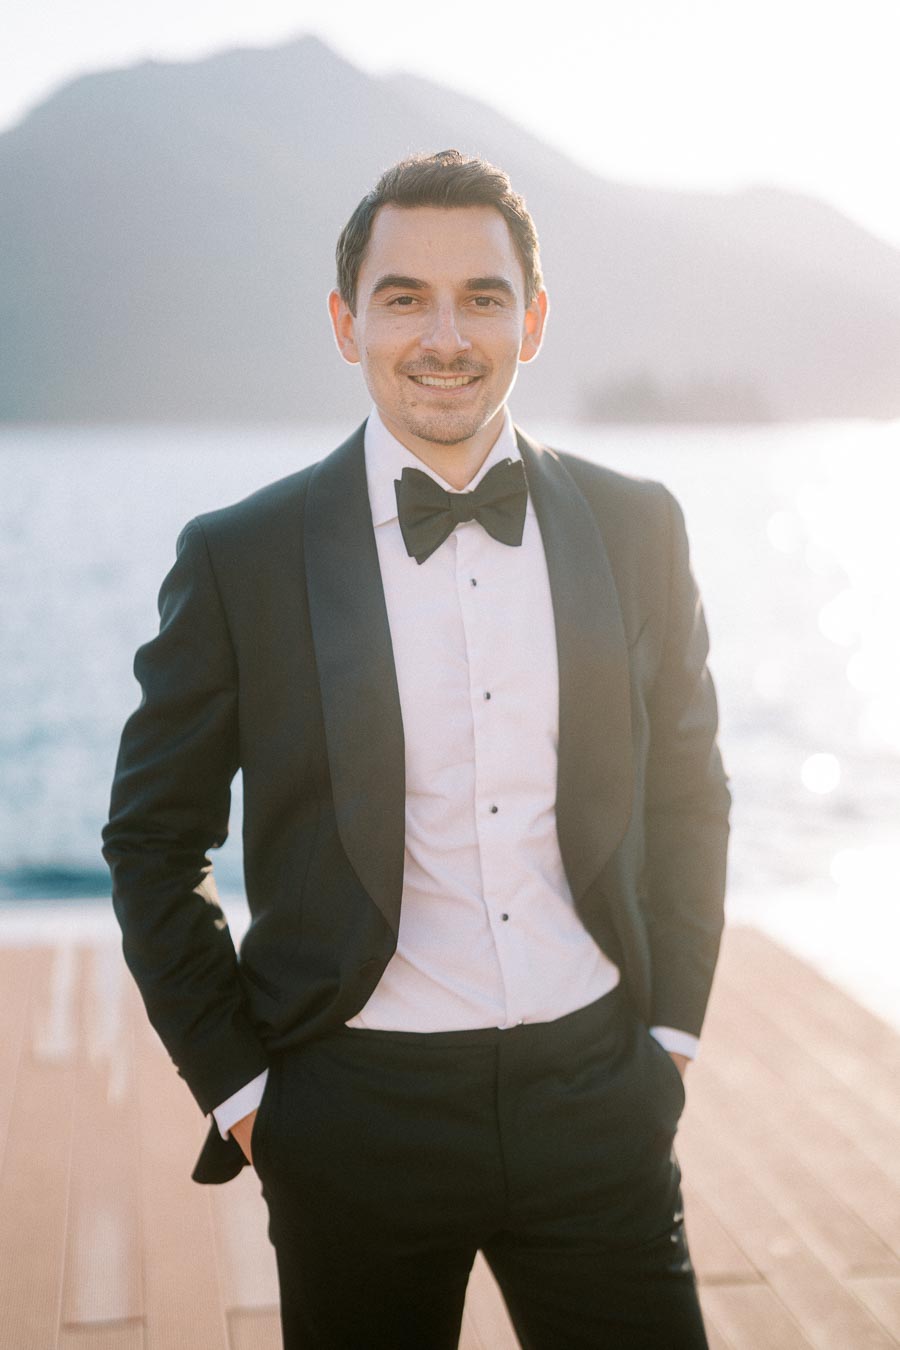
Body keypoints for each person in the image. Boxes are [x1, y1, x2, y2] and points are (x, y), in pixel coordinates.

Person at [103, 148, 730, 1349]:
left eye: (482, 297)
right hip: (352, 1118)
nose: (445, 336)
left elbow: (690, 795)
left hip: (600, 1095)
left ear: (532, 321)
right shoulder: (239, 557)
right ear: (347, 324)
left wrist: (670, 1043)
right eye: (405, 299)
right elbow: (151, 842)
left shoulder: (639, 528)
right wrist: (247, 1095)